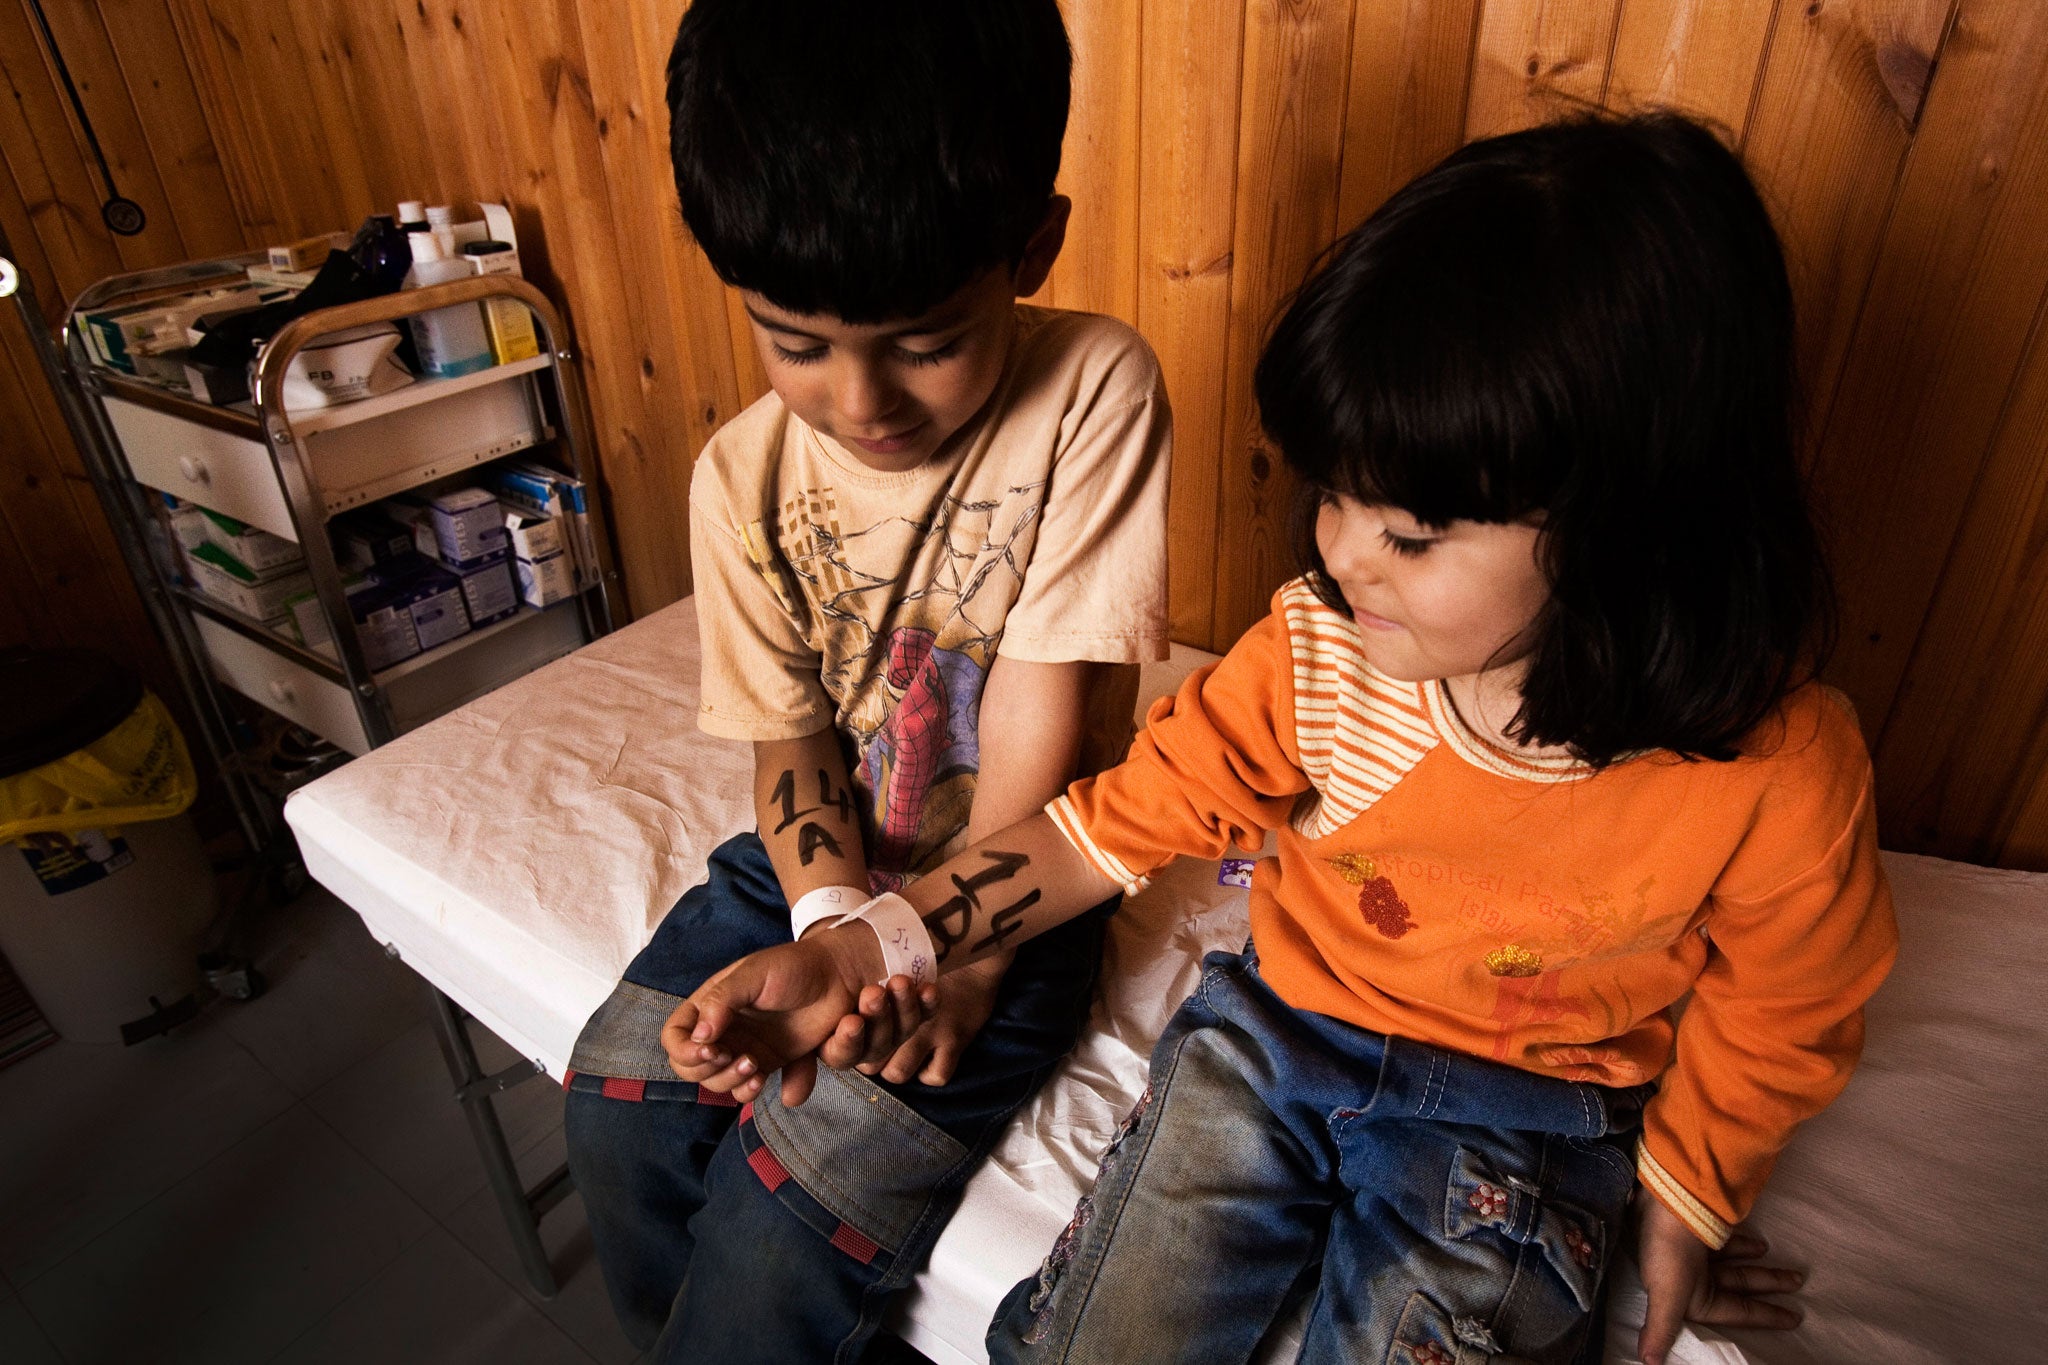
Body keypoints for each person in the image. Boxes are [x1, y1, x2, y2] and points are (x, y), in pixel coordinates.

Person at [666, 112, 1899, 1365]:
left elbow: (1783, 1006)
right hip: (1272, 1045)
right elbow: (1101, 833)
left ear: (1634, 531)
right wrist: (863, 946)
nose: (1339, 554)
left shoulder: (1776, 776)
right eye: (1334, 496)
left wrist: (1685, 1201)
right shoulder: (1315, 657)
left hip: (1530, 1115)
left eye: (1408, 534)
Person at [559, 2, 1171, 1361]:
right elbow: (787, 739)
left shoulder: (1094, 387)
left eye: (926, 342)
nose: (860, 404)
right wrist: (834, 916)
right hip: (817, 860)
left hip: (1020, 881)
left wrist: (952, 957)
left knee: (788, 1212)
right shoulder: (738, 476)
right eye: (795, 343)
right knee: (617, 1096)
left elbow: (1040, 704)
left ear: (1032, 248)